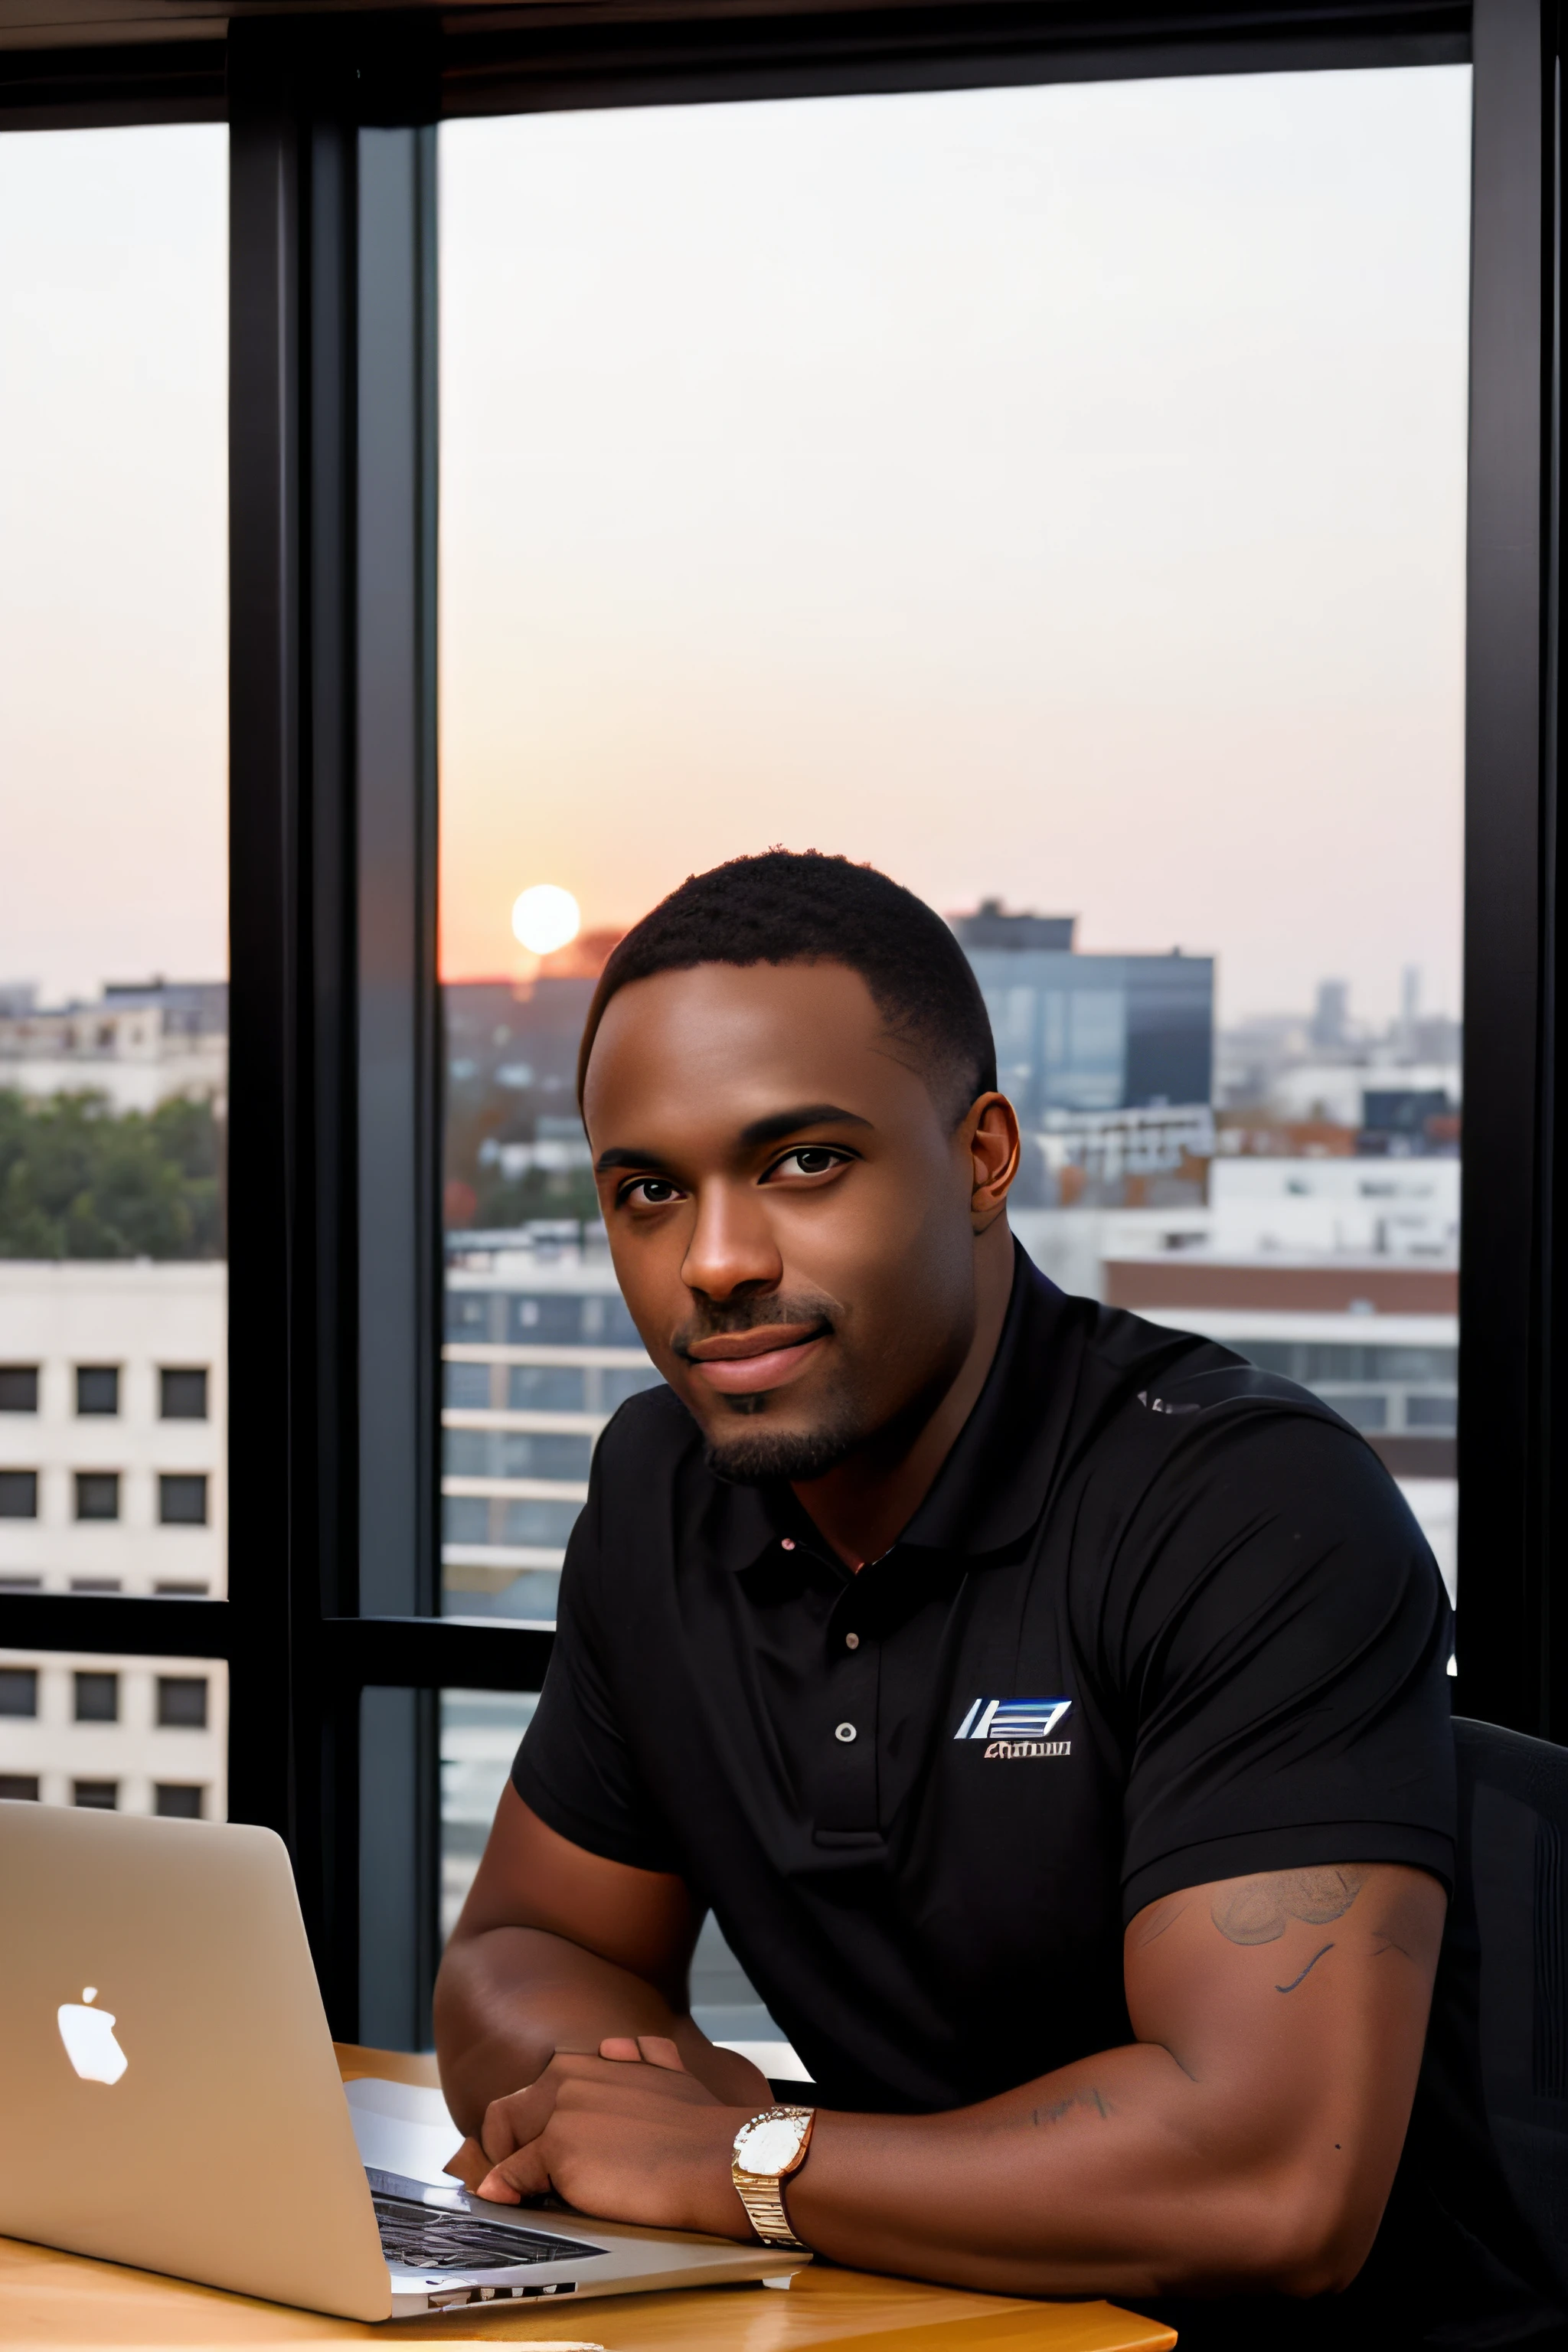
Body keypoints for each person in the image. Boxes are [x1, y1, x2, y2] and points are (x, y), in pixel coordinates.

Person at [431, 851, 1506, 2344]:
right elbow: (519, 1954)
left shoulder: (1247, 1505)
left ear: (983, 1157)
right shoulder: (657, 1491)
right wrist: (619, 2100)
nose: (717, 1261)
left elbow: (1274, 2185)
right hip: (910, 2317)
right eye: (650, 1192)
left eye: (803, 1162)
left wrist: (744, 2163)